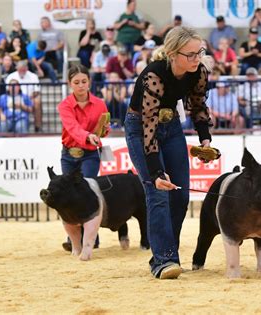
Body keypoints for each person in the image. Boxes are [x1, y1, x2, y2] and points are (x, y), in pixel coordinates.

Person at [124, 26, 213, 279]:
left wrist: (205, 138)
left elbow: (198, 105)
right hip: (140, 128)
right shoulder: (153, 75)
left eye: (200, 52)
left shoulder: (198, 72)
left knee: (180, 196)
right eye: (191, 54)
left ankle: (165, 255)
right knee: (158, 192)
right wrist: (155, 171)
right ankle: (164, 261)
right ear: (173, 53)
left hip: (172, 126)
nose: (197, 59)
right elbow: (148, 126)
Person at [58, 64, 110, 250]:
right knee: (69, 195)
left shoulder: (100, 104)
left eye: (84, 81)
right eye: (76, 82)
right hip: (68, 154)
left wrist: (104, 131)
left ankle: (91, 237)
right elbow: (72, 128)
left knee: (88, 192)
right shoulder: (64, 106)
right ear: (70, 84)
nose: (81, 85)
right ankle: (73, 238)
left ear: (89, 82)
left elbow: (104, 130)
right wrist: (88, 136)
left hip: (90, 154)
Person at [5, 60, 42, 132]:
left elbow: (37, 91)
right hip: (14, 96)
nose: (22, 71)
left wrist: (28, 98)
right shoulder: (11, 76)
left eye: (23, 69)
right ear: (17, 68)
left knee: (37, 102)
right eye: (20, 69)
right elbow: (7, 90)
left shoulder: (33, 76)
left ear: (27, 68)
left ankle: (38, 127)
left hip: (30, 97)